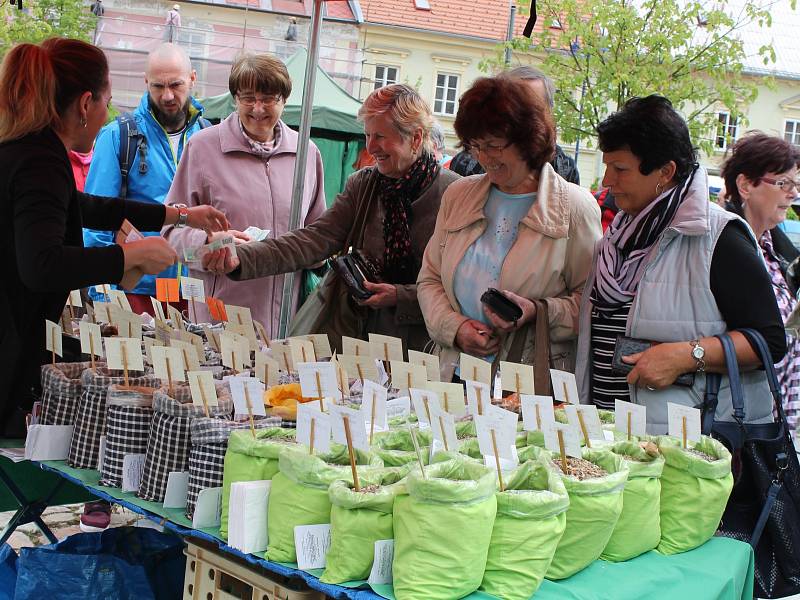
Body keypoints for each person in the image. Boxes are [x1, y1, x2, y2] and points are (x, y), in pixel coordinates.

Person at [0, 38, 228, 439]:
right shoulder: (40, 161)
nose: (107, 115)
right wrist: (128, 257)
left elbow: (82, 205)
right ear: (86, 104)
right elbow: (43, 265)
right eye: (106, 102)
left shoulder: (26, 148)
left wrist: (177, 214)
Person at [574, 96, 786, 433]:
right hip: (607, 434)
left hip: (683, 447)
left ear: (665, 171)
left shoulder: (719, 237)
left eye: (620, 169)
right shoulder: (616, 237)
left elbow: (769, 341)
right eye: (606, 167)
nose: (606, 182)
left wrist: (687, 356)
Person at [203, 84, 460, 352]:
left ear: (416, 138)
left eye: (381, 137)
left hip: (423, 346)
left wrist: (400, 296)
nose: (371, 147)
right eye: (368, 135)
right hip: (359, 338)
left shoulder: (455, 194)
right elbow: (312, 240)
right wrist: (241, 258)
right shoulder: (364, 184)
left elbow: (461, 288)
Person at [417, 76, 601, 382]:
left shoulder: (575, 208)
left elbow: (592, 304)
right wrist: (455, 327)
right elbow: (430, 278)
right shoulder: (458, 195)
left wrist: (536, 311)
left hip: (527, 385)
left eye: (493, 146)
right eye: (475, 146)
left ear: (528, 140)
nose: (483, 157)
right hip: (453, 373)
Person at [163, 53, 327, 335]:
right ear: (235, 98)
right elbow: (170, 234)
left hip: (286, 322)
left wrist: (317, 253)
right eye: (248, 98)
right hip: (220, 323)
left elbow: (319, 235)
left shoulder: (306, 154)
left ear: (284, 100)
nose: (259, 108)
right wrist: (206, 244)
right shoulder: (203, 148)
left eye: (269, 98)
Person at [84, 43, 208, 315]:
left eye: (176, 85)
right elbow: (95, 222)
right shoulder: (118, 136)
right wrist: (105, 299)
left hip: (195, 294)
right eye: (157, 86)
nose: (167, 96)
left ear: (192, 79)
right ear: (145, 82)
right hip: (133, 294)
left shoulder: (208, 138)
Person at [721, 132, 800, 436]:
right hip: (739, 425)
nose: (792, 194)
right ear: (745, 185)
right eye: (783, 183)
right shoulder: (722, 248)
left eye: (794, 185)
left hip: (781, 424)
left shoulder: (774, 250)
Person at [447, 65, 580, 185]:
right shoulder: (465, 163)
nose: (523, 118)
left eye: (532, 108)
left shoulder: (564, 167)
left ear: (548, 112)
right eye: (513, 107)